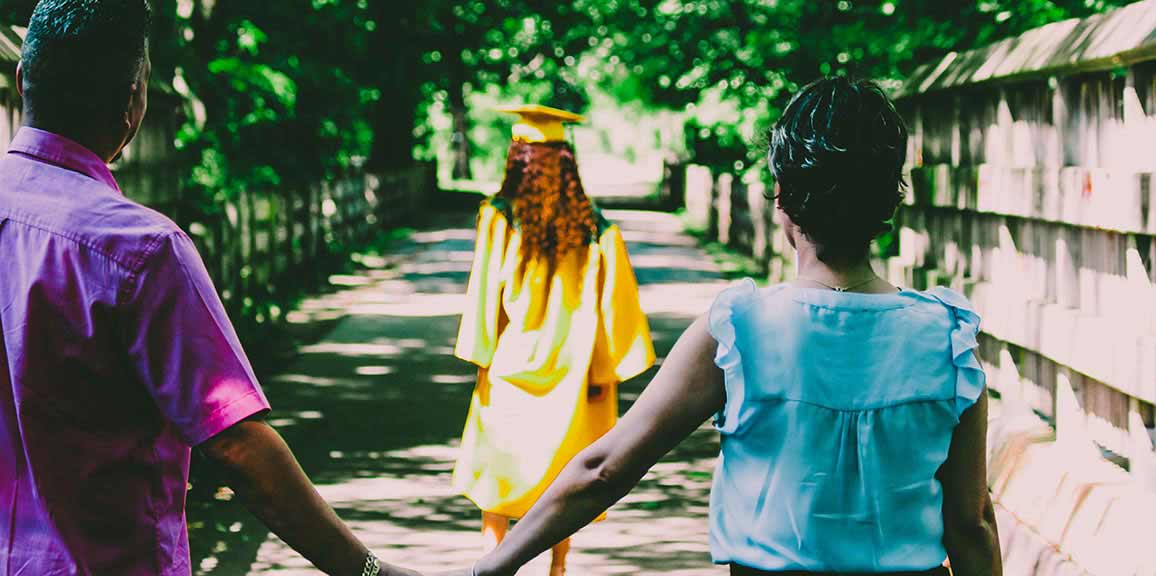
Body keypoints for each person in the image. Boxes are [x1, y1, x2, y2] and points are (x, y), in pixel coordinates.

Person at [448, 78, 1002, 576]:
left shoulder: (740, 329)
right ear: (889, 199)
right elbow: (972, 523)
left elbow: (604, 469)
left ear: (782, 197)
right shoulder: (947, 339)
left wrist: (495, 565)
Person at [0, 2, 418, 575]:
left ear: (23, 78)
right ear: (134, 100)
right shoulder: (140, 250)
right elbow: (236, 445)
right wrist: (371, 571)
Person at [452, 104, 655, 576]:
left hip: (510, 366)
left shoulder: (500, 217)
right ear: (567, 163)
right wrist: (604, 372)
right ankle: (557, 567)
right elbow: (613, 305)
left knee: (499, 475)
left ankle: (492, 563)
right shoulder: (595, 226)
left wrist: (481, 356)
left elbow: (484, 298)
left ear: (516, 158)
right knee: (562, 475)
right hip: (572, 370)